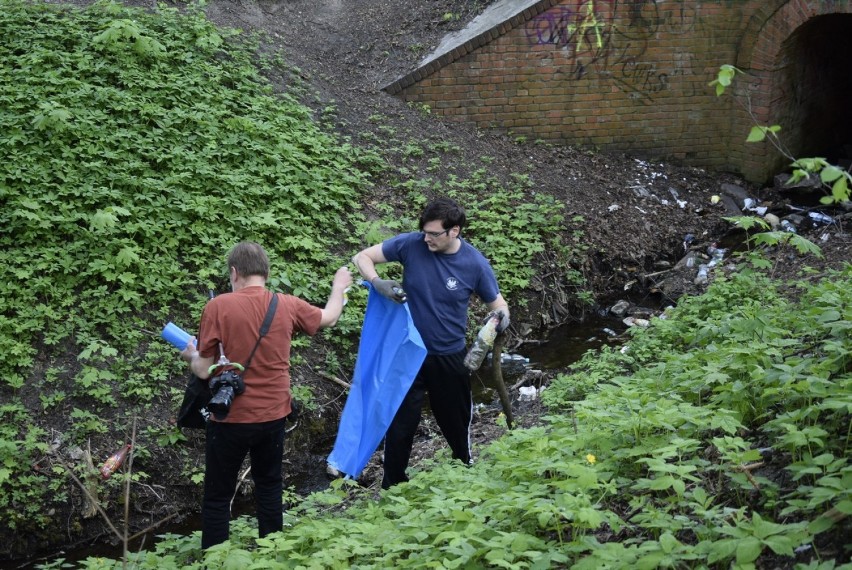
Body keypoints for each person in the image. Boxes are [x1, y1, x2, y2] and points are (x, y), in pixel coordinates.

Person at [179, 241, 352, 548]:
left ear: (234, 273)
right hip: (273, 415)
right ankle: (272, 553)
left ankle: (216, 559)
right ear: (267, 273)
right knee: (270, 487)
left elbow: (204, 371)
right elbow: (329, 317)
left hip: (229, 417)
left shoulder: (217, 306)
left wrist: (190, 354)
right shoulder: (287, 304)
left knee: (219, 495)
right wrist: (339, 285)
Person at [352, 197, 509, 489]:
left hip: (449, 356)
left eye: (434, 233)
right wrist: (377, 282)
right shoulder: (411, 245)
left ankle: (464, 471)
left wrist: (499, 320)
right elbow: (362, 257)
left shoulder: (474, 263)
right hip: (408, 353)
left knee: (455, 420)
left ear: (455, 231)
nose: (427, 238)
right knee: (400, 425)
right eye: (425, 231)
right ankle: (394, 486)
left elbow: (498, 305)